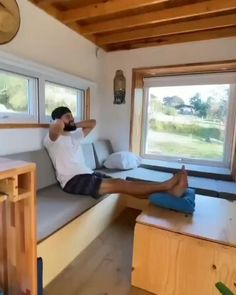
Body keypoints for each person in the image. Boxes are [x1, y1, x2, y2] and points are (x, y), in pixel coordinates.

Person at [44, 106, 188, 199]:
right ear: (57, 119)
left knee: (125, 185)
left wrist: (73, 124)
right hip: (72, 181)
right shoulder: (52, 139)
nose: (72, 119)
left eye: (71, 116)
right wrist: (61, 121)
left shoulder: (74, 136)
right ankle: (166, 185)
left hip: (87, 174)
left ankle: (170, 192)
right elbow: (56, 126)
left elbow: (92, 123)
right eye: (68, 117)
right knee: (119, 183)